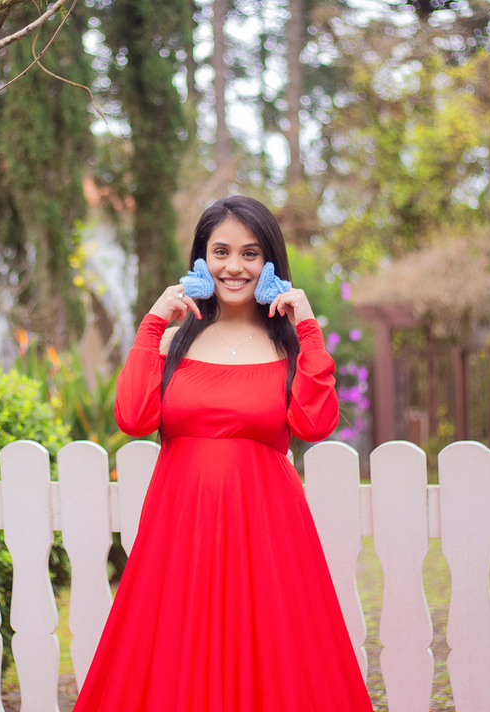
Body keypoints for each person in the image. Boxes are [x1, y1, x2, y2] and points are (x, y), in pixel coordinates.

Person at [72, 196, 374, 712]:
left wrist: (307, 326)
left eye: (250, 253)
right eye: (221, 252)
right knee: (174, 659)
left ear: (269, 263)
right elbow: (132, 417)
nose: (234, 266)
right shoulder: (171, 342)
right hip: (179, 529)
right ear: (201, 259)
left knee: (273, 664)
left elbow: (315, 423)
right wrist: (151, 324)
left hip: (268, 533)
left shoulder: (288, 349)